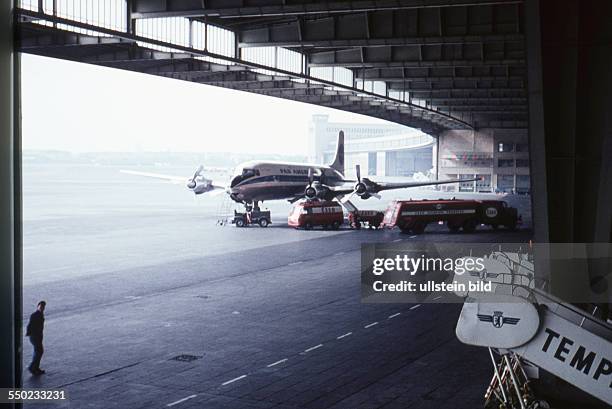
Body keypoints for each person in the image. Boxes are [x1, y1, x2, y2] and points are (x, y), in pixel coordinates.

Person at [26, 300, 46, 375]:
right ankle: (32, 368)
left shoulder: (40, 314)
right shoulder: (35, 315)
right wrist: (30, 334)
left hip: (37, 336)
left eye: (43, 307)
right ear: (37, 306)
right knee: (39, 351)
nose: (42, 308)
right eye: (41, 306)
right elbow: (29, 325)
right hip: (35, 337)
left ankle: (35, 368)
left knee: (38, 351)